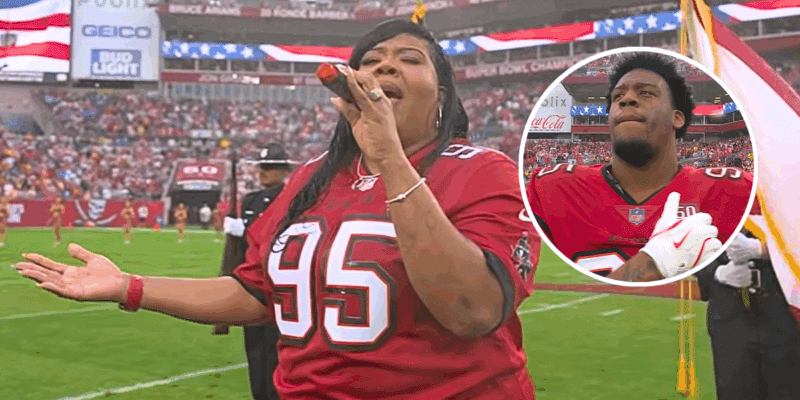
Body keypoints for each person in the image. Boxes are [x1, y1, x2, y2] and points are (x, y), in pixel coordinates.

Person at [15, 19, 539, 399]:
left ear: (442, 94)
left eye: (409, 58)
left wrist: (390, 160)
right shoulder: (311, 178)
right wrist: (128, 287)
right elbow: (254, 292)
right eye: (371, 60)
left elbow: (472, 311)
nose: (384, 65)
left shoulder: (484, 171)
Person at [527, 52, 751, 282]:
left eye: (646, 93)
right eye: (618, 96)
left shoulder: (735, 190)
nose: (626, 99)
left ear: (677, 118)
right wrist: (655, 263)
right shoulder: (552, 187)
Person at [694, 204, 800, 399]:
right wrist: (717, 273)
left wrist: (765, 250)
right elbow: (694, 242)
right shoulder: (717, 192)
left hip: (786, 315)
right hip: (730, 318)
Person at [216, 143, 294, 400]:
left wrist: (246, 230)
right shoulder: (251, 200)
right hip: (251, 285)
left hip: (277, 285)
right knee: (256, 354)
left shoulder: (292, 198)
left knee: (276, 354)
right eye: (261, 167)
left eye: (268, 167)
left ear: (283, 171)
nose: (262, 172)